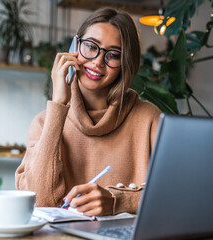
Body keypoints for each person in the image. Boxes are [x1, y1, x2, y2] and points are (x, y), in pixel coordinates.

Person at [15, 7, 161, 216]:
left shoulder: (149, 119)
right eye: (91, 47)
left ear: (125, 62)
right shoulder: (44, 122)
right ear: (75, 45)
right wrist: (58, 106)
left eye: (113, 55)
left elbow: (174, 194)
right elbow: (40, 200)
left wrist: (116, 201)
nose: (98, 61)